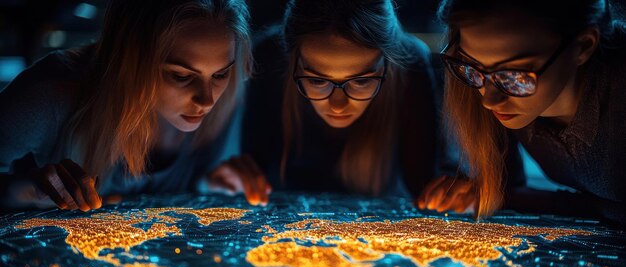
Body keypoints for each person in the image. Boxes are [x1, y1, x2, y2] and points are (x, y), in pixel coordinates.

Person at [0, 0, 252, 211]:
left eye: (220, 75)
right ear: (131, 62)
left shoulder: (227, 96)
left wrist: (210, 186)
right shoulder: (51, 93)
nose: (206, 100)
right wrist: (26, 191)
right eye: (181, 76)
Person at [208, 0, 441, 206]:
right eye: (317, 80)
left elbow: (423, 190)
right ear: (292, 63)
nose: (338, 104)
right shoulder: (268, 61)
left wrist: (450, 193)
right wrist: (231, 182)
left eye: (361, 81)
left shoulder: (410, 65)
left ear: (388, 67)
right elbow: (252, 175)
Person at [418, 0, 626, 225]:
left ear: (584, 46)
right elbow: (599, 205)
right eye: (470, 67)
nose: (489, 99)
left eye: (515, 76)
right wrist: (487, 195)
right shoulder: (491, 89)